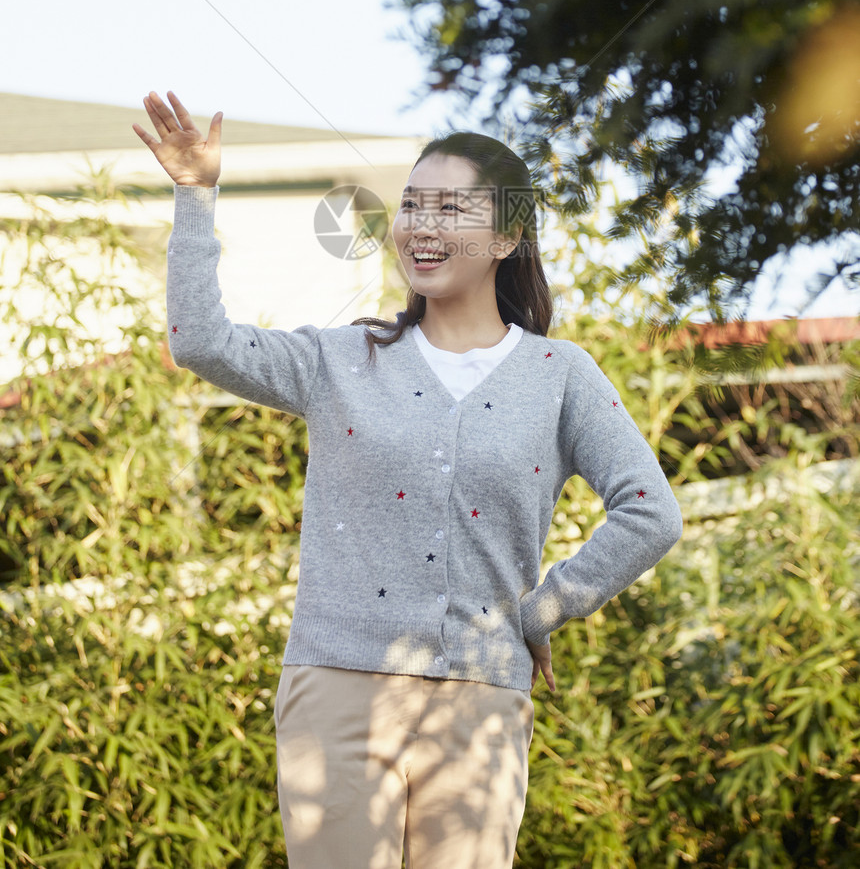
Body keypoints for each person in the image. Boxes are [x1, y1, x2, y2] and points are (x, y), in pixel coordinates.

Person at [133, 89, 683, 869]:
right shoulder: (339, 362)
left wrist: (542, 611)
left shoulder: (561, 375)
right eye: (413, 206)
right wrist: (195, 194)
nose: (422, 226)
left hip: (483, 702)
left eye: (451, 210)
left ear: (507, 236)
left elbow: (650, 513)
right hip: (338, 690)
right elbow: (201, 342)